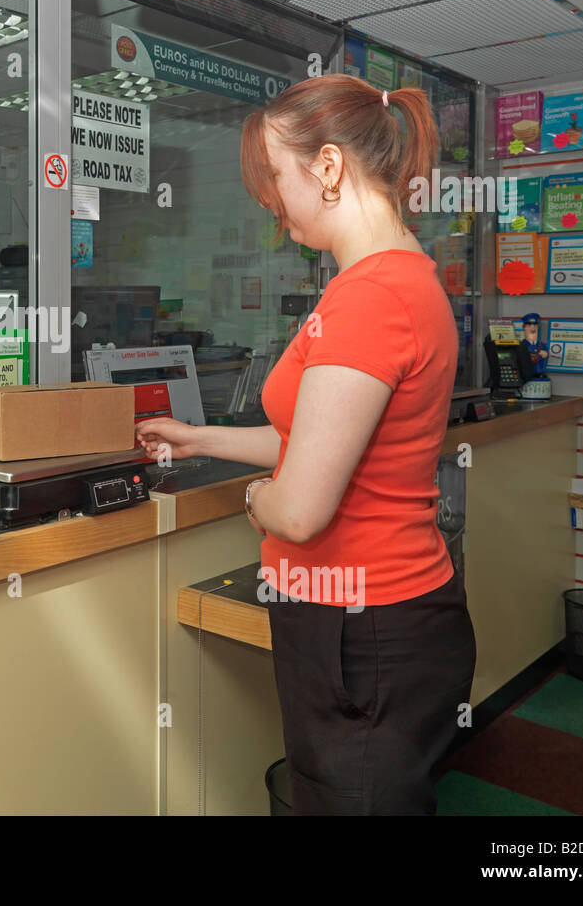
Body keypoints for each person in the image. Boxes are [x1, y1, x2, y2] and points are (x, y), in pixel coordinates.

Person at [136, 74, 475, 816]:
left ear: (327, 168)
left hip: (361, 627)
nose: (271, 203)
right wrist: (199, 436)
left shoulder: (368, 297)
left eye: (277, 179)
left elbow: (298, 509)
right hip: (390, 614)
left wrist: (256, 500)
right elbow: (317, 439)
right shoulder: (403, 277)